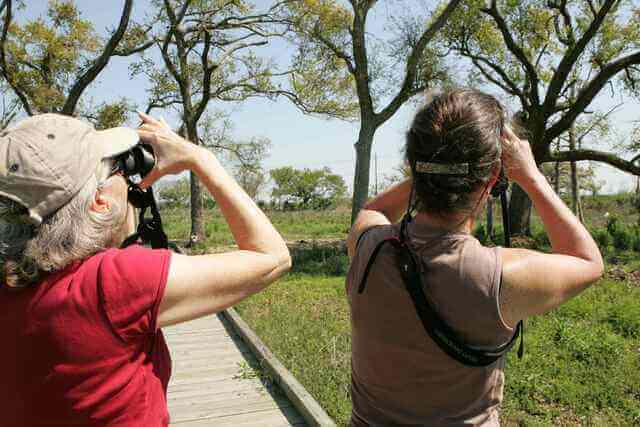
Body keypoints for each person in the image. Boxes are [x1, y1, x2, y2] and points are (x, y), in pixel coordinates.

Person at [0, 112, 291, 426]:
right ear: (99, 202)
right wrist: (200, 158)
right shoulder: (109, 284)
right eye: (118, 169)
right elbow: (272, 257)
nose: (127, 178)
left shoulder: (11, 283)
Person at [346, 89, 604, 426]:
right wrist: (532, 176)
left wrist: (429, 172)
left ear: (412, 165)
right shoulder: (500, 276)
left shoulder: (368, 247)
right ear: (494, 177)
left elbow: (374, 208)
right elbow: (588, 261)